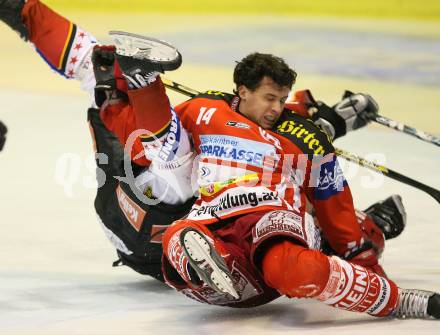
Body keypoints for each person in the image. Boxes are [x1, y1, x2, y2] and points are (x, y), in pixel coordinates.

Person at [0, 0, 410, 306]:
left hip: (174, 227)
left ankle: (365, 226)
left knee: (254, 183)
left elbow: (242, 126)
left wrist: (315, 118)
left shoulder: (139, 106)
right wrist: (322, 127)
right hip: (149, 227)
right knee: (220, 177)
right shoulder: (144, 133)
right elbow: (231, 133)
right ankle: (372, 226)